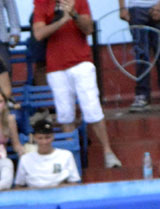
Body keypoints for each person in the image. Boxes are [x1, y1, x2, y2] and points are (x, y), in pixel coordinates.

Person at [31, 0, 123, 169]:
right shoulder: (41, 3)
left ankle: (108, 152)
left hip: (81, 62)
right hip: (56, 67)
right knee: (65, 115)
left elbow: (89, 29)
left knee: (92, 109)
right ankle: (71, 159)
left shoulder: (79, 1)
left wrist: (73, 14)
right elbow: (38, 34)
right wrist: (62, 20)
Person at [120, 0, 160, 109]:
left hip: (159, 6)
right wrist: (122, 7)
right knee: (141, 53)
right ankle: (142, 94)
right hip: (136, 8)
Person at [14, 115, 81, 188]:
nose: (44, 142)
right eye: (40, 138)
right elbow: (19, 185)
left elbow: (74, 184)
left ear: (53, 136)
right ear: (34, 138)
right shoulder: (25, 159)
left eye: (47, 137)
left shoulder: (66, 155)